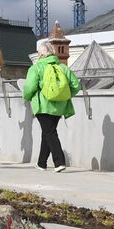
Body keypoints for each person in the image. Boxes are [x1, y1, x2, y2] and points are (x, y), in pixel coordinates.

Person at [21, 39, 80, 171]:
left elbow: (29, 88)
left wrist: (26, 97)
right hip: (60, 107)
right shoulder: (63, 68)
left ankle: (59, 162)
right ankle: (41, 163)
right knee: (47, 132)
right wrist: (65, 96)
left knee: (49, 132)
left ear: (41, 55)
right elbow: (76, 86)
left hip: (43, 106)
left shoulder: (36, 68)